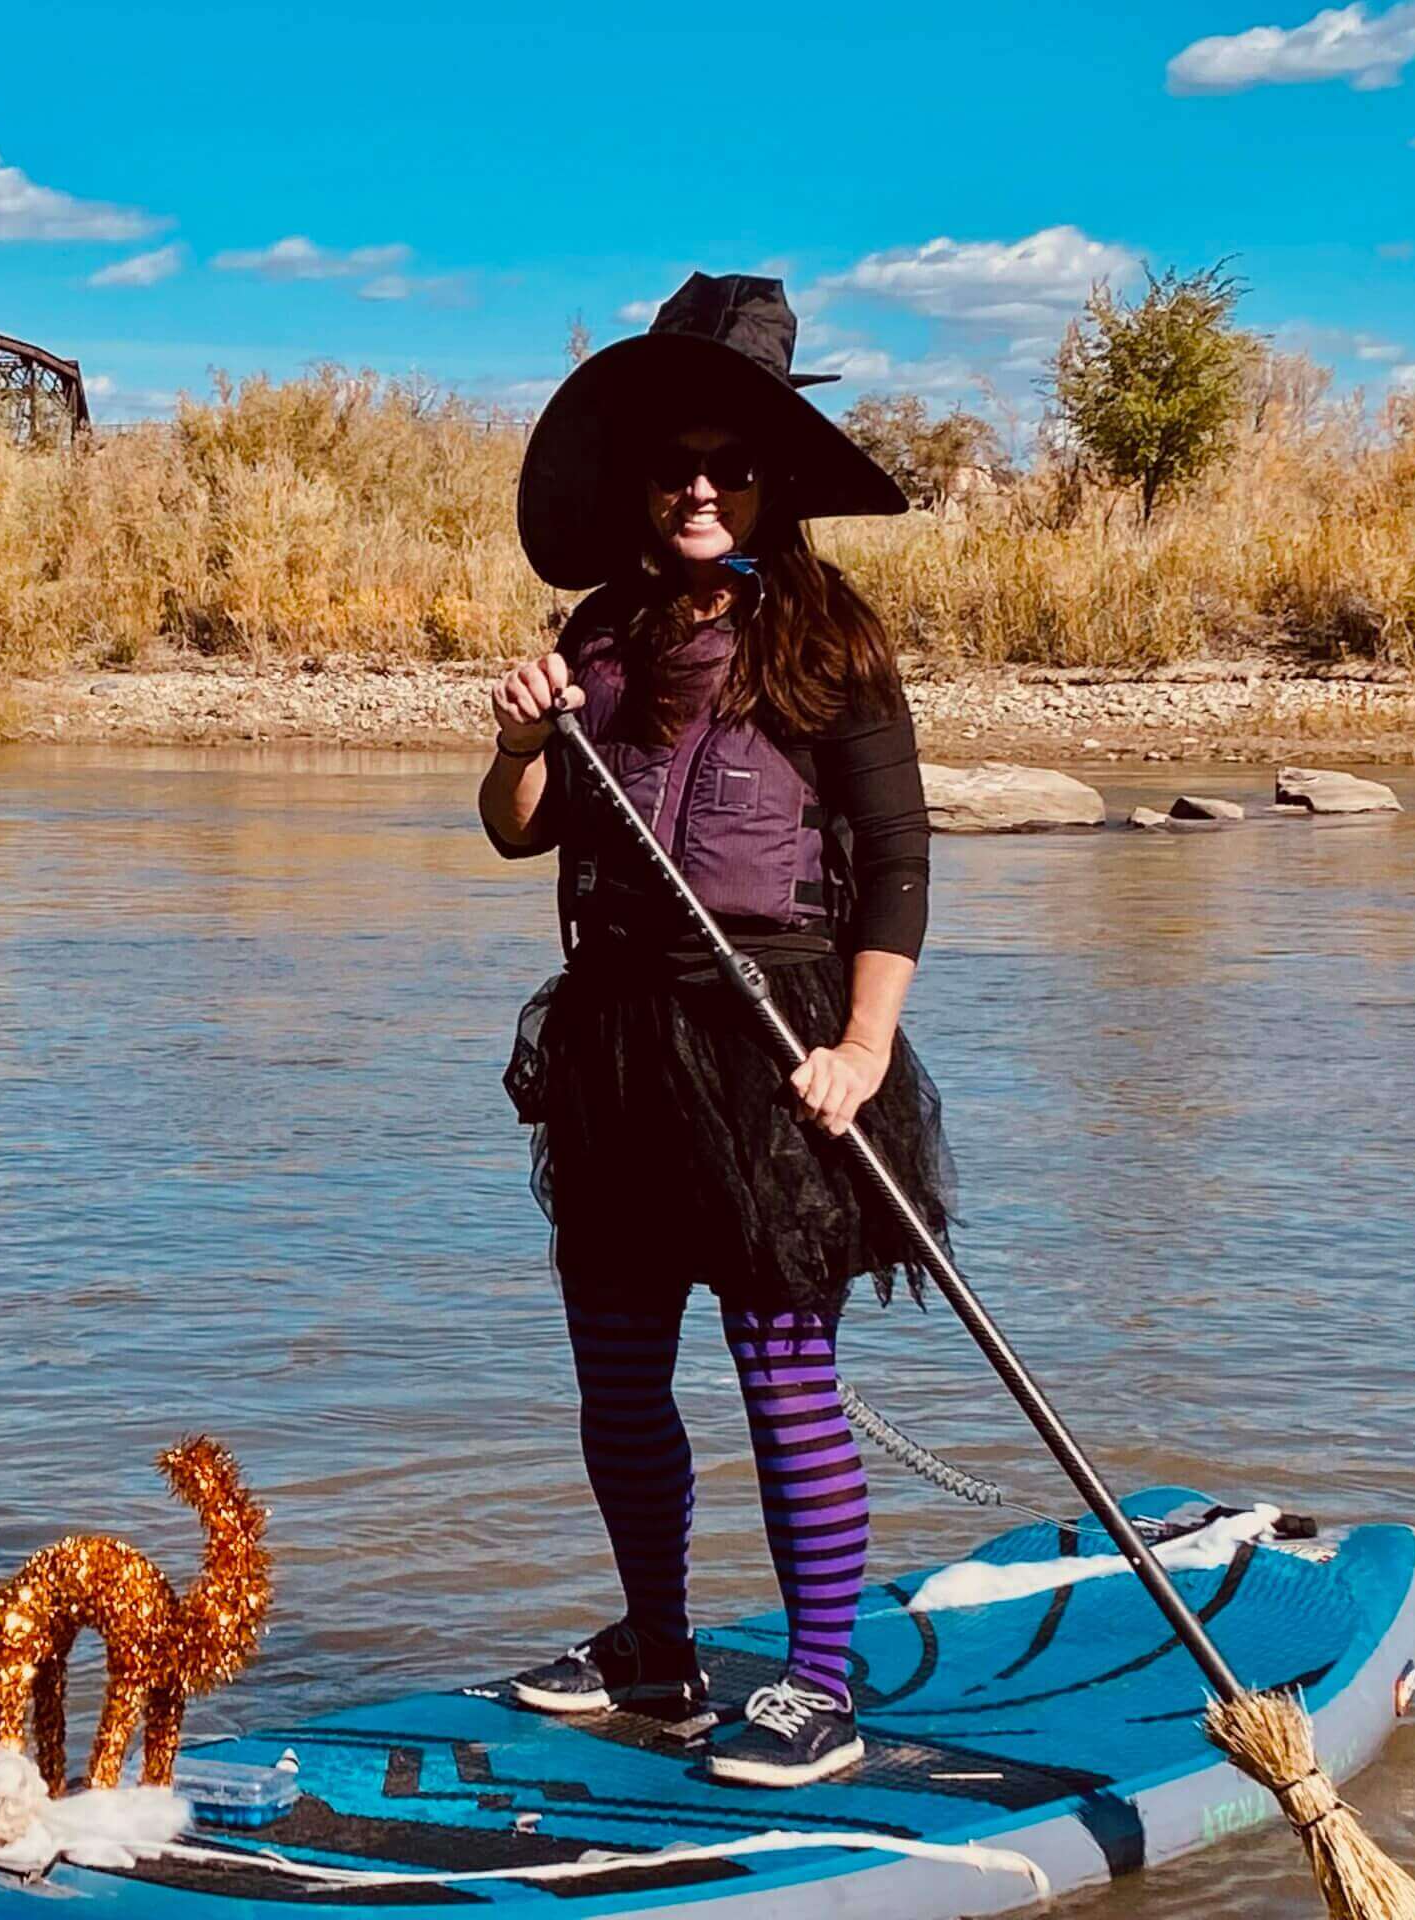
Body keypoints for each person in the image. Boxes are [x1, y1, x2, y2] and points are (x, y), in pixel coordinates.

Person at [479, 273, 953, 1790]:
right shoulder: (599, 632)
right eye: (675, 463)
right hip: (617, 1040)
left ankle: (820, 1686)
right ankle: (660, 1649)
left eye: (727, 464)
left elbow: (899, 860)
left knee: (780, 1373)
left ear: (771, 481)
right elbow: (515, 832)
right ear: (641, 480)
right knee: (617, 1373)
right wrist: (515, 739)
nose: (698, 486)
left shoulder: (831, 636)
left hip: (780, 1039)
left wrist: (865, 1052)